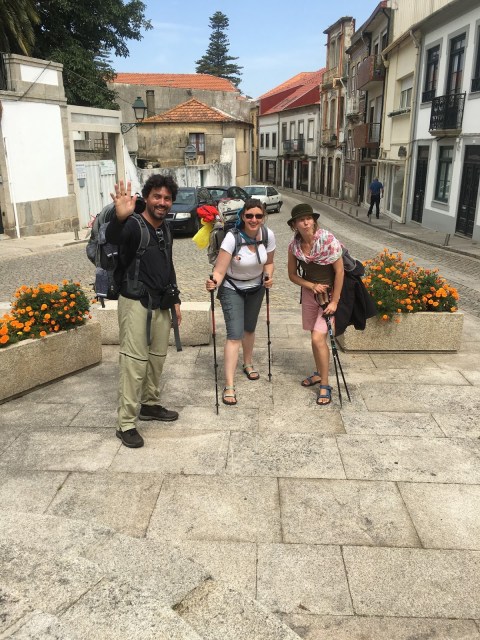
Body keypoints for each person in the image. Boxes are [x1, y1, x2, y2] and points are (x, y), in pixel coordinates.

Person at [105, 175, 181, 448]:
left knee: (157, 358)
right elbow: (113, 238)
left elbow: (168, 264)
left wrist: (175, 299)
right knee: (134, 362)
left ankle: (149, 404)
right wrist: (119, 217)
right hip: (135, 302)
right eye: (157, 196)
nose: (162, 202)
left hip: (161, 303)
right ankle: (125, 423)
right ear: (146, 198)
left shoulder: (165, 228)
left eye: (167, 198)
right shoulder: (133, 226)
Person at [205, 198, 275, 406]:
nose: (254, 219)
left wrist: (269, 276)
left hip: (256, 288)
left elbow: (269, 263)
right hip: (232, 288)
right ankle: (229, 385)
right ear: (243, 216)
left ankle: (248, 363)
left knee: (249, 329)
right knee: (234, 335)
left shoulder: (268, 235)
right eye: (249, 215)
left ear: (263, 217)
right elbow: (219, 270)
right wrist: (213, 282)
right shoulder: (231, 238)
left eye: (258, 216)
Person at [287, 203, 344, 406]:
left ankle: (325, 384)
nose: (306, 222)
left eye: (308, 218)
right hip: (310, 294)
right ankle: (320, 373)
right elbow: (292, 275)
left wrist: (335, 301)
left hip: (329, 295)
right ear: (294, 225)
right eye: (301, 220)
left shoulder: (328, 240)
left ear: (313, 221)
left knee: (318, 338)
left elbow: (340, 271)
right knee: (314, 336)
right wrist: (311, 286)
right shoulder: (294, 246)